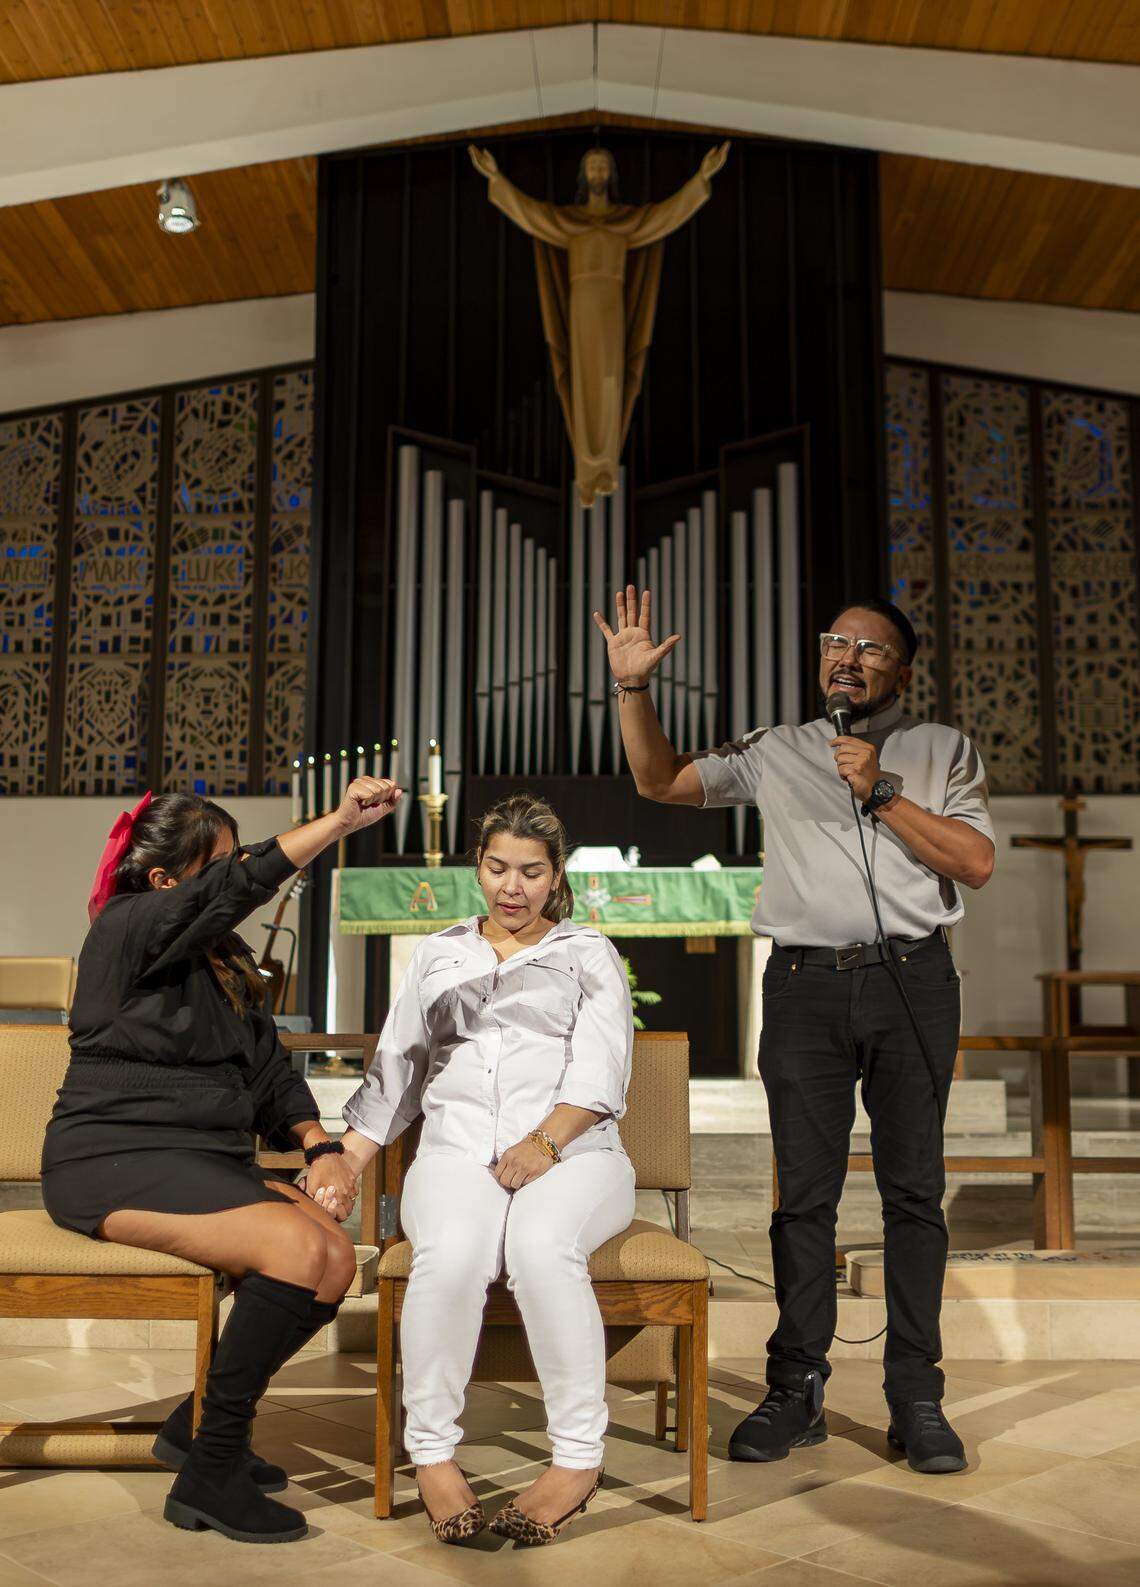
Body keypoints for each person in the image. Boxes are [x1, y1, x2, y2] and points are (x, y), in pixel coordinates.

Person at [595, 588, 995, 1475]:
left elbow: (974, 861)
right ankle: (795, 1386)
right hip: (807, 988)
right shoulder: (776, 748)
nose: (846, 657)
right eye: (834, 643)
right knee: (803, 1196)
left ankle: (915, 1396)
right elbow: (660, 781)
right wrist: (631, 691)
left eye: (871, 647)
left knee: (913, 1194)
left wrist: (881, 789)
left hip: (912, 980)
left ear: (903, 668)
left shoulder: (941, 750)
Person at [41, 776, 401, 1543]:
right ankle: (213, 1467)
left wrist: (321, 1145)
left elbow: (268, 1069)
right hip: (112, 1155)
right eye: (218, 868)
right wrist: (337, 822)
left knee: (336, 1258)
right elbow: (237, 890)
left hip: (199, 1155)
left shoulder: (220, 957)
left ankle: (193, 1427)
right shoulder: (127, 927)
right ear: (167, 882)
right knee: (300, 1248)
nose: (234, 884)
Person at [335, 793, 635, 1546]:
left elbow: (603, 1074)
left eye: (530, 872)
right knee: (454, 1251)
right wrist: (346, 1161)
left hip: (577, 1153)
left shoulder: (586, 952)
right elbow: (398, 1066)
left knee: (539, 1247)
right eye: (498, 867)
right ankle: (431, 1452)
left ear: (555, 874)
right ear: (477, 865)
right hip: (457, 1151)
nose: (512, 886)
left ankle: (577, 1457)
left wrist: (544, 1142)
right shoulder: (440, 953)